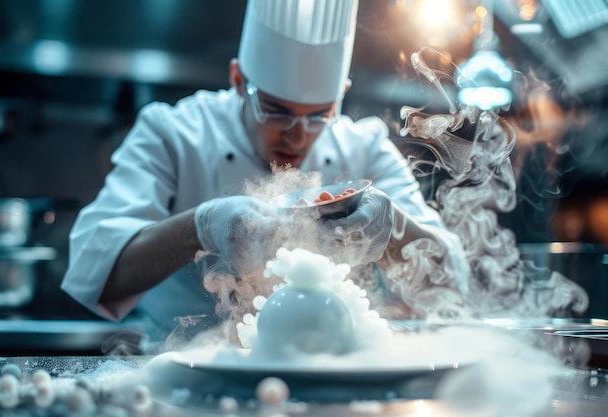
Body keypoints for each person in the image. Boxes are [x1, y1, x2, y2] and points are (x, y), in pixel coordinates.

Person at [61, 0, 469, 346]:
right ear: (239, 80)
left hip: (329, 368)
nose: (297, 136)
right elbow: (94, 272)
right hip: (184, 367)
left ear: (340, 96)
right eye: (275, 110)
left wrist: (397, 230)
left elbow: (451, 288)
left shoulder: (364, 147)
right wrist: (199, 229)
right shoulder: (172, 133)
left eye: (319, 115)